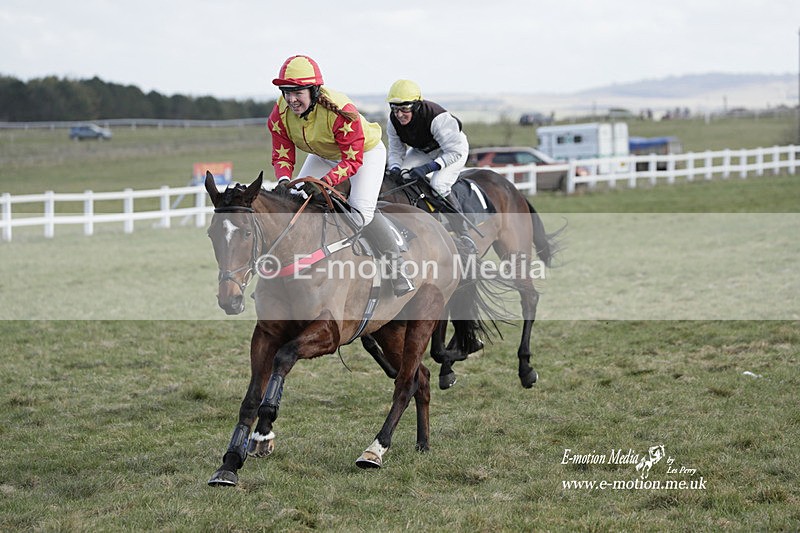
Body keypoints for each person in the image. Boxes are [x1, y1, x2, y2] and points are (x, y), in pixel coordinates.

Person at [268, 55, 414, 296]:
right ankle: (284, 272)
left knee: (359, 212)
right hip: (323, 153)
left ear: (314, 91)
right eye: (286, 92)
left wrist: (325, 183)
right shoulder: (280, 112)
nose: (291, 99)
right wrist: (284, 180)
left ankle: (398, 268)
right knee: (292, 201)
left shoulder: (341, 111)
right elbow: (282, 153)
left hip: (364, 154)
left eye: (297, 93)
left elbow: (352, 159)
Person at [385, 79, 475, 254]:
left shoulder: (438, 118)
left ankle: (462, 232)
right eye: (395, 108)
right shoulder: (392, 122)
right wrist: (395, 168)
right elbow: (396, 151)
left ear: (417, 106)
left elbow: (453, 151)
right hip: (424, 150)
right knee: (402, 175)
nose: (399, 114)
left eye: (405, 108)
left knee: (438, 185)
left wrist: (428, 168)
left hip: (453, 149)